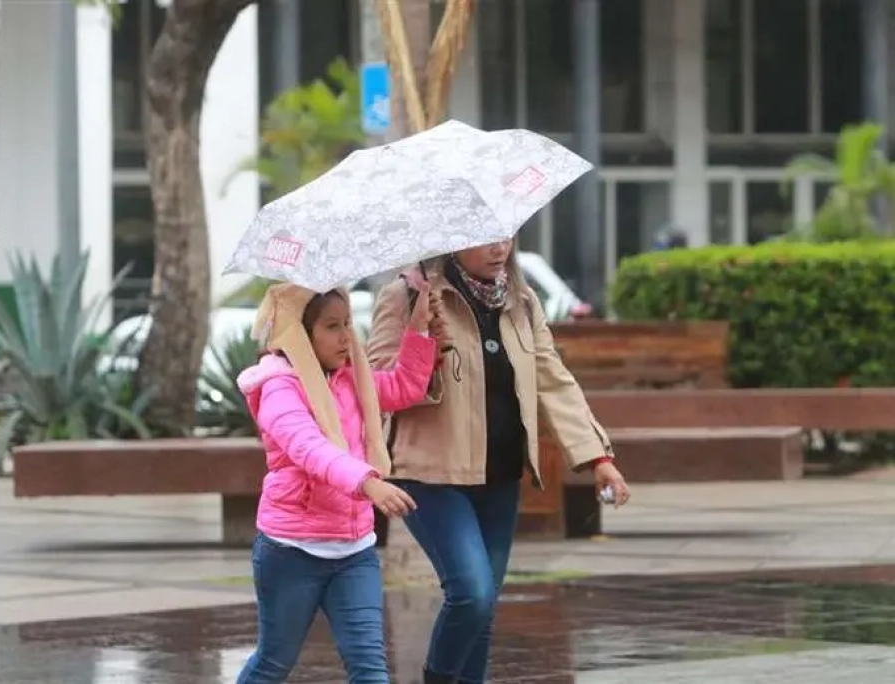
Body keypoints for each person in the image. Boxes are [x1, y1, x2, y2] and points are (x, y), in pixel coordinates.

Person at [367, 240, 631, 684]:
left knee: (484, 606)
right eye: (486, 238)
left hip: (500, 473)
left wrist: (597, 456)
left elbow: (553, 380)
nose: (500, 248)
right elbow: (376, 385)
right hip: (430, 474)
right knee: (471, 593)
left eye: (506, 235)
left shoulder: (520, 300)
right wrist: (424, 345)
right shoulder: (408, 295)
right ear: (456, 239)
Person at [235, 282, 438, 683]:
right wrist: (368, 483)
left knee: (370, 668)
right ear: (300, 333)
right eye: (331, 326)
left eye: (347, 323)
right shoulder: (278, 388)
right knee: (274, 662)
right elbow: (310, 449)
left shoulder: (351, 379)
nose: (346, 336)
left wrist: (418, 329)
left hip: (354, 551)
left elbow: (404, 387)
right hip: (291, 551)